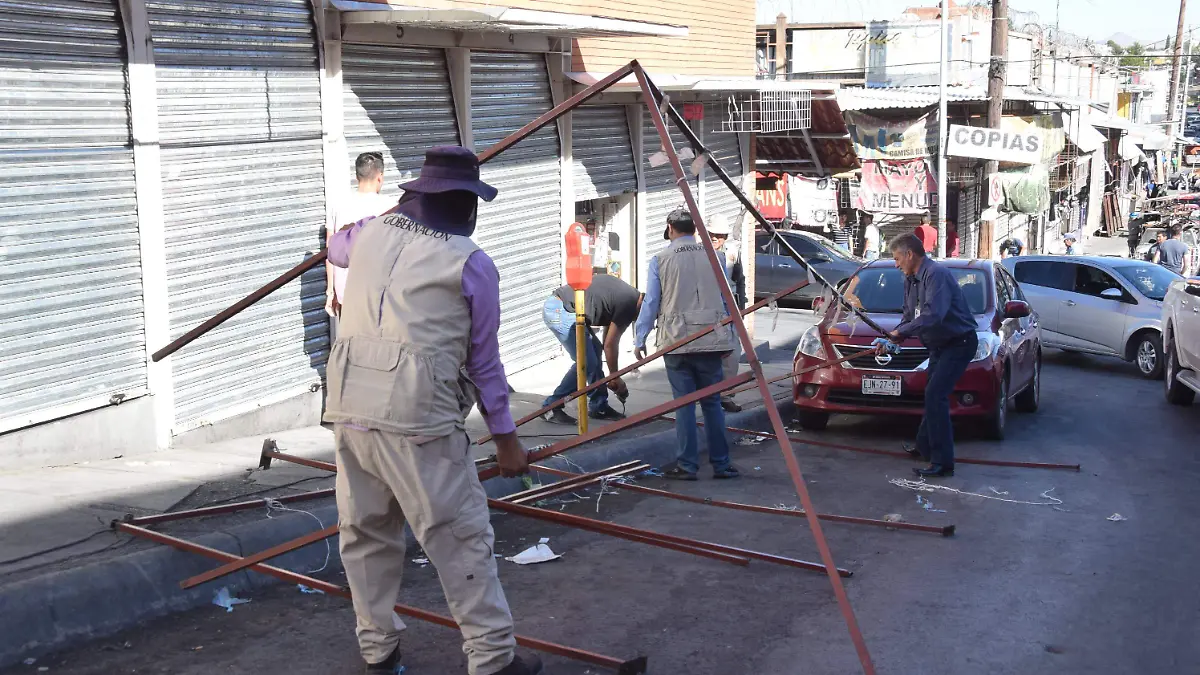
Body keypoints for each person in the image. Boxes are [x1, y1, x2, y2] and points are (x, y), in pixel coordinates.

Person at [325, 146, 543, 675]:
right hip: (418, 419)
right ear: (465, 205)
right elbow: (485, 362)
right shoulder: (471, 263)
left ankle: (378, 653)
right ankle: (492, 660)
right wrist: (507, 439)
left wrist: (387, 217)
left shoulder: (371, 232)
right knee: (459, 537)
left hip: (350, 406)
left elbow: (334, 247)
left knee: (366, 533)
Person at [634, 208, 739, 481]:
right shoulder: (715, 256)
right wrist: (731, 337)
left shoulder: (660, 259)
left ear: (670, 227)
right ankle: (722, 464)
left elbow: (651, 303)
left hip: (677, 341)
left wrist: (639, 337)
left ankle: (688, 465)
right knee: (713, 403)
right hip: (711, 339)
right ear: (694, 228)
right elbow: (728, 299)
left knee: (684, 405)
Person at [879, 233, 978, 478]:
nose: (896, 264)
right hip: (939, 346)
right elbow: (909, 316)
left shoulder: (937, 275)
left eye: (897, 258)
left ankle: (943, 463)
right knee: (931, 393)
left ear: (910, 254)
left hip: (959, 343)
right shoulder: (910, 279)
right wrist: (893, 339)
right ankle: (924, 447)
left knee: (936, 395)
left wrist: (900, 332)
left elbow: (934, 315)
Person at [539, 274, 639, 425]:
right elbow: (610, 345)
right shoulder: (629, 305)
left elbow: (606, 341)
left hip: (565, 308)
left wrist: (613, 377)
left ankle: (599, 406)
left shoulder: (629, 295)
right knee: (586, 362)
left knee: (595, 352)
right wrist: (615, 376)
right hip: (561, 309)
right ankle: (551, 407)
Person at [326, 152, 395, 319]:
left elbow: (330, 251)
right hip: (379, 295)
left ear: (357, 176)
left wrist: (331, 291)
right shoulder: (391, 207)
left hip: (346, 295)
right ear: (380, 177)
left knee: (350, 343)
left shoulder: (338, 206)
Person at [708, 214, 745, 413]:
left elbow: (740, 279)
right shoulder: (699, 253)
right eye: (712, 234)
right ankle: (709, 394)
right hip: (708, 311)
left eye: (719, 235)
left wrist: (742, 309)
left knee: (732, 354)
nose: (715, 238)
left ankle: (725, 395)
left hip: (729, 311)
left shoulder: (731, 252)